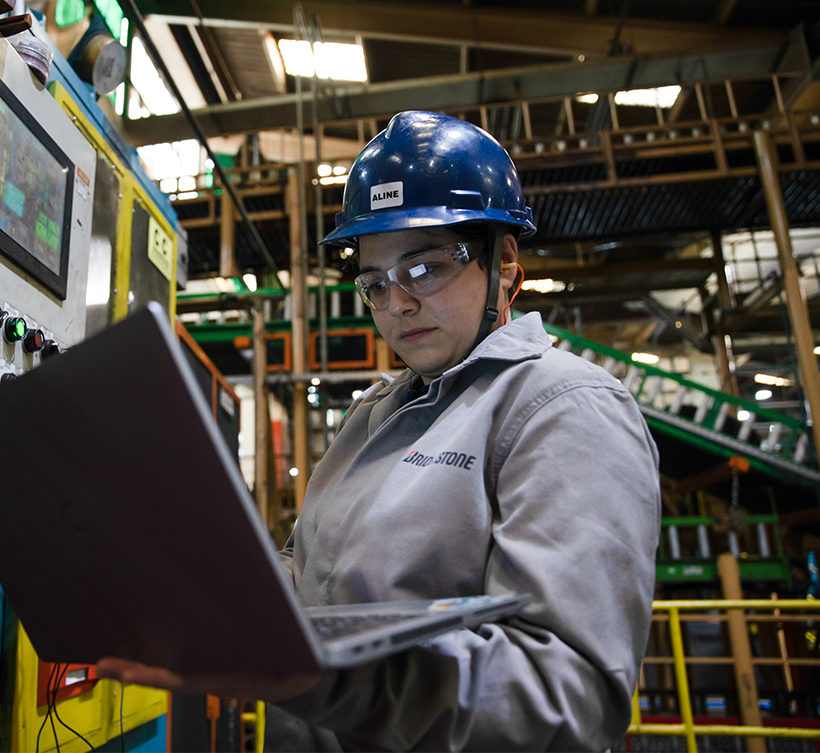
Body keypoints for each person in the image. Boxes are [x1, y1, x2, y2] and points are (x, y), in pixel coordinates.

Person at [98, 111, 661, 752]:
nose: (396, 303)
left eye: (423, 268)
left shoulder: (561, 408)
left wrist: (312, 673)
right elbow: (308, 572)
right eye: (374, 283)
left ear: (503, 264)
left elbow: (564, 698)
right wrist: (203, 592)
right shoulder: (373, 415)